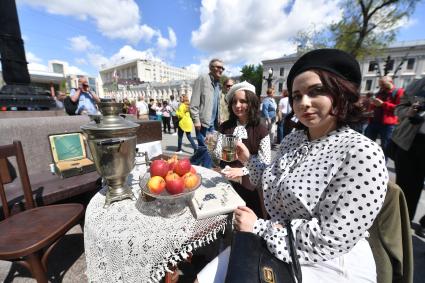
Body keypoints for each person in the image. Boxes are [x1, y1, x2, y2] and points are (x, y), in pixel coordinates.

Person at [196, 49, 389, 283]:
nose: (304, 103)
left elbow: (331, 239)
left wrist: (258, 227)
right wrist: (247, 159)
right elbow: (270, 178)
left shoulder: (361, 152)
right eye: (297, 96)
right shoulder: (293, 140)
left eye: (316, 91)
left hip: (329, 262)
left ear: (341, 92)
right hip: (276, 236)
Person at [214, 81, 271, 216]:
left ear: (251, 103)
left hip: (250, 178)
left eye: (243, 101)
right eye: (234, 102)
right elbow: (218, 155)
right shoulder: (226, 127)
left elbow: (265, 163)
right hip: (226, 176)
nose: (237, 106)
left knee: (246, 211)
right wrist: (220, 152)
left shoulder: (260, 129)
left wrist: (243, 170)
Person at [391, 77, 425, 237]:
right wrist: (408, 111)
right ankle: (401, 224)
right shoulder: (417, 85)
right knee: (406, 188)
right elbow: (398, 109)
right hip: (408, 143)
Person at [190, 58, 225, 168]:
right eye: (218, 67)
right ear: (211, 68)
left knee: (208, 151)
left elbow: (217, 104)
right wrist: (196, 120)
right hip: (202, 124)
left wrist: (220, 118)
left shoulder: (218, 85)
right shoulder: (203, 79)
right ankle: (191, 165)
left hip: (213, 125)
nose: (221, 69)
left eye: (222, 68)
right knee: (206, 150)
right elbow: (194, 102)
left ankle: (191, 167)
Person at [365, 76, 404, 156]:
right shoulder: (380, 91)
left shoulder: (398, 92)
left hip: (387, 125)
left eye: (383, 84)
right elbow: (375, 105)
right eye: (380, 84)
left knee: (385, 147)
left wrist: (383, 104)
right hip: (373, 122)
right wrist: (371, 107)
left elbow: (399, 108)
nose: (381, 86)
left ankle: (382, 165)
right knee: (366, 144)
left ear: (390, 82)